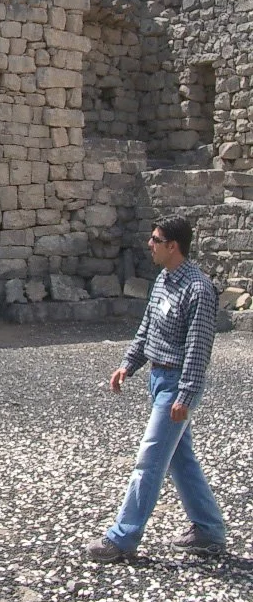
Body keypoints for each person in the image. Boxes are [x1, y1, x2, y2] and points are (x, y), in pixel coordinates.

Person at [86, 216, 226, 563]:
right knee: (181, 459)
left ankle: (122, 537)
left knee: (149, 461)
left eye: (155, 239)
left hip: (176, 385)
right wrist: (127, 365)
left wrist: (186, 395)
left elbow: (198, 348)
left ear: (172, 246)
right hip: (158, 379)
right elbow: (147, 327)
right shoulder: (163, 279)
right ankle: (208, 530)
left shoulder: (199, 289)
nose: (149, 244)